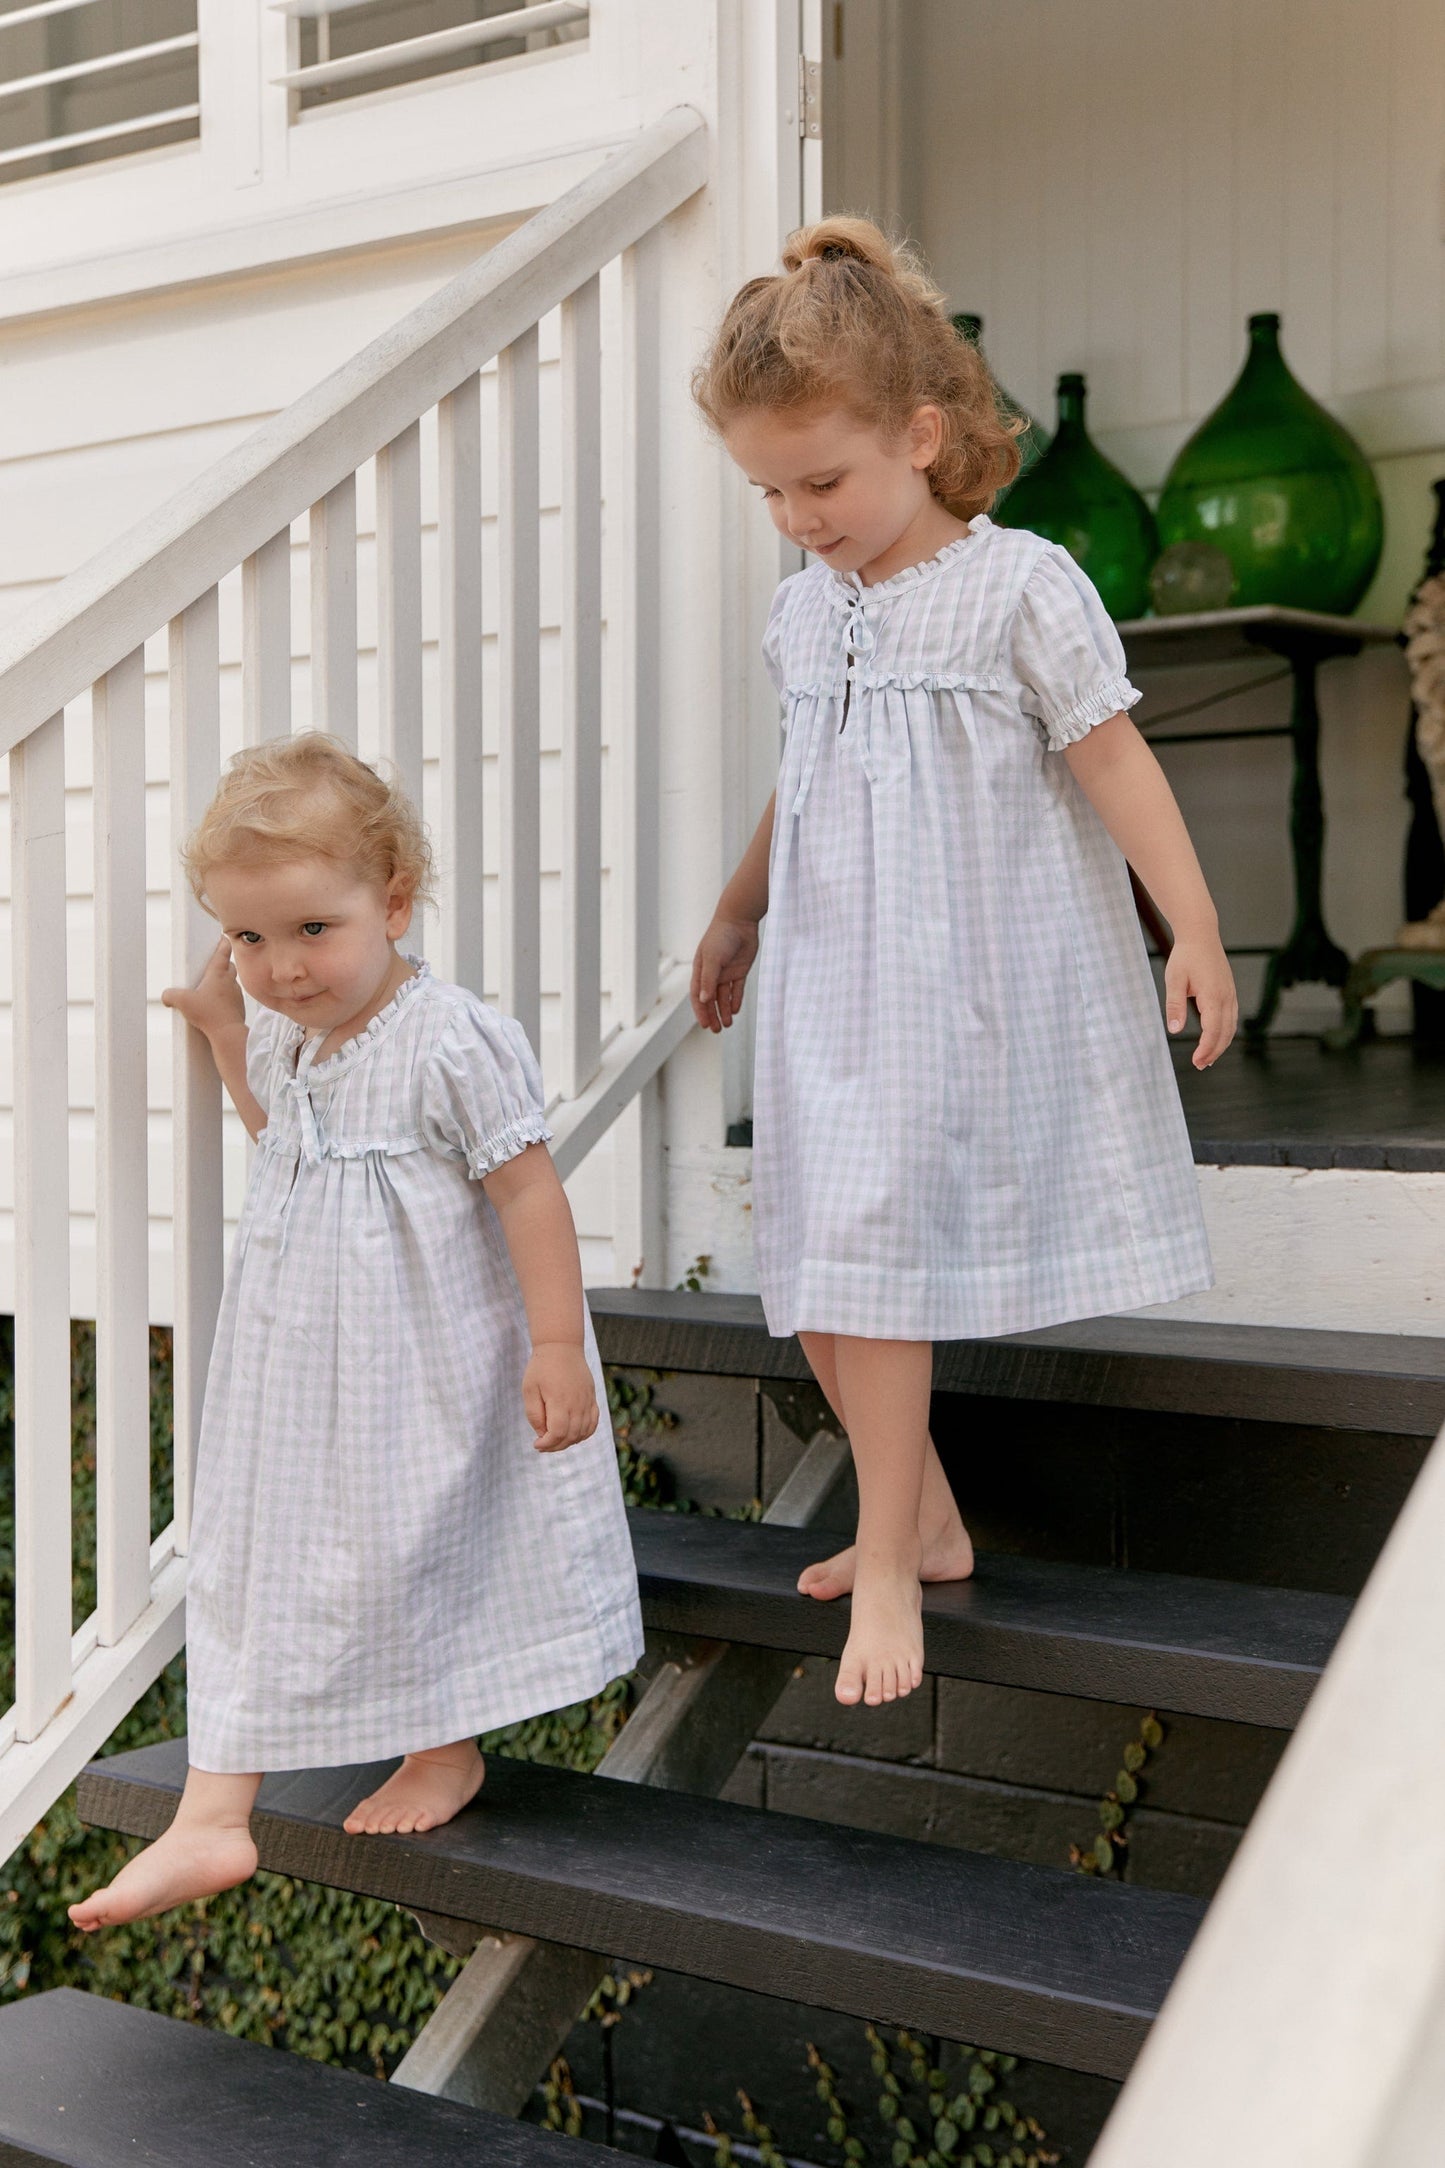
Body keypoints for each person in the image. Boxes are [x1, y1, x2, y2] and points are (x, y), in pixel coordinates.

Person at [690, 218, 1236, 1713]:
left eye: (823, 482)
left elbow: (1113, 757)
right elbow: (800, 774)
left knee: (872, 1249)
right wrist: (738, 911)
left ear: (921, 437)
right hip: (824, 973)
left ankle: (880, 1556)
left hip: (960, 976)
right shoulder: (806, 607)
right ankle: (919, 1511)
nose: (798, 518)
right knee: (810, 1249)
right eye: (769, 492)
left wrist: (1190, 922)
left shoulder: (1020, 586)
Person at [70, 734, 642, 1930]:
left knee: (410, 1540)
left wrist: (552, 1345)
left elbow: (530, 1191)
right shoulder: (287, 1029)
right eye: (250, 938)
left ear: (391, 900)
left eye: (311, 931)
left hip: (424, 1360)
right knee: (249, 1547)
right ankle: (213, 1813)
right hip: (299, 1360)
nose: (281, 967)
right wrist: (229, 1033)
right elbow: (283, 1129)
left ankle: (440, 1748)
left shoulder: (449, 1038)